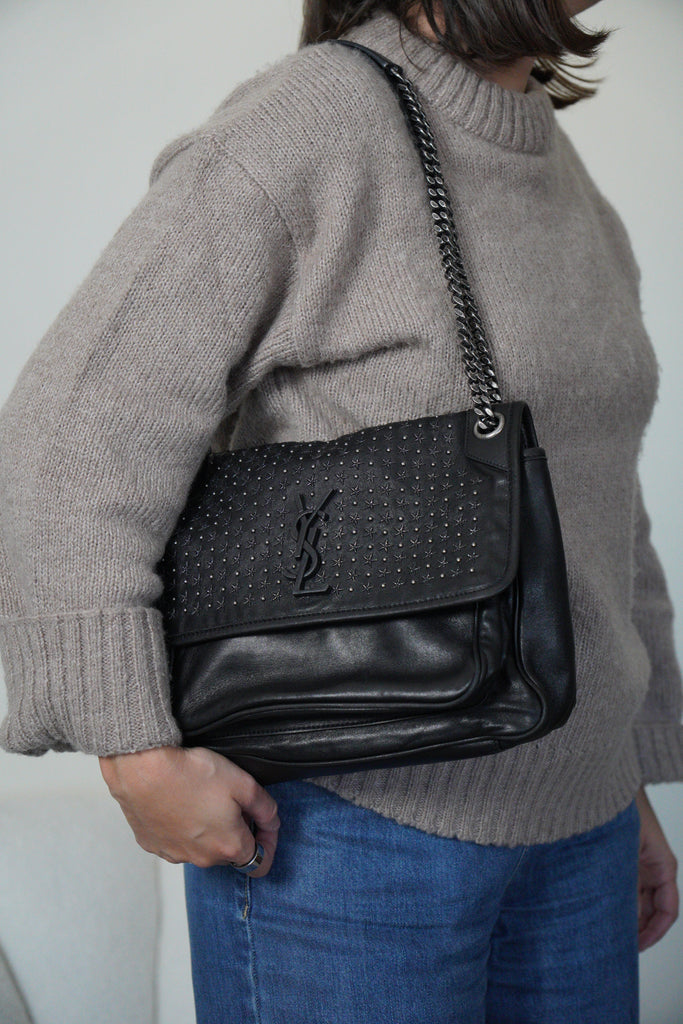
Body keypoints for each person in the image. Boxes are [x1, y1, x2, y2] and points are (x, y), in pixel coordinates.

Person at [0, 0, 681, 1020]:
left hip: (580, 836)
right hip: (349, 836)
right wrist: (133, 751)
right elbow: (69, 439)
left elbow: (593, 494)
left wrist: (622, 768)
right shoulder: (313, 120)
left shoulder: (550, 158)